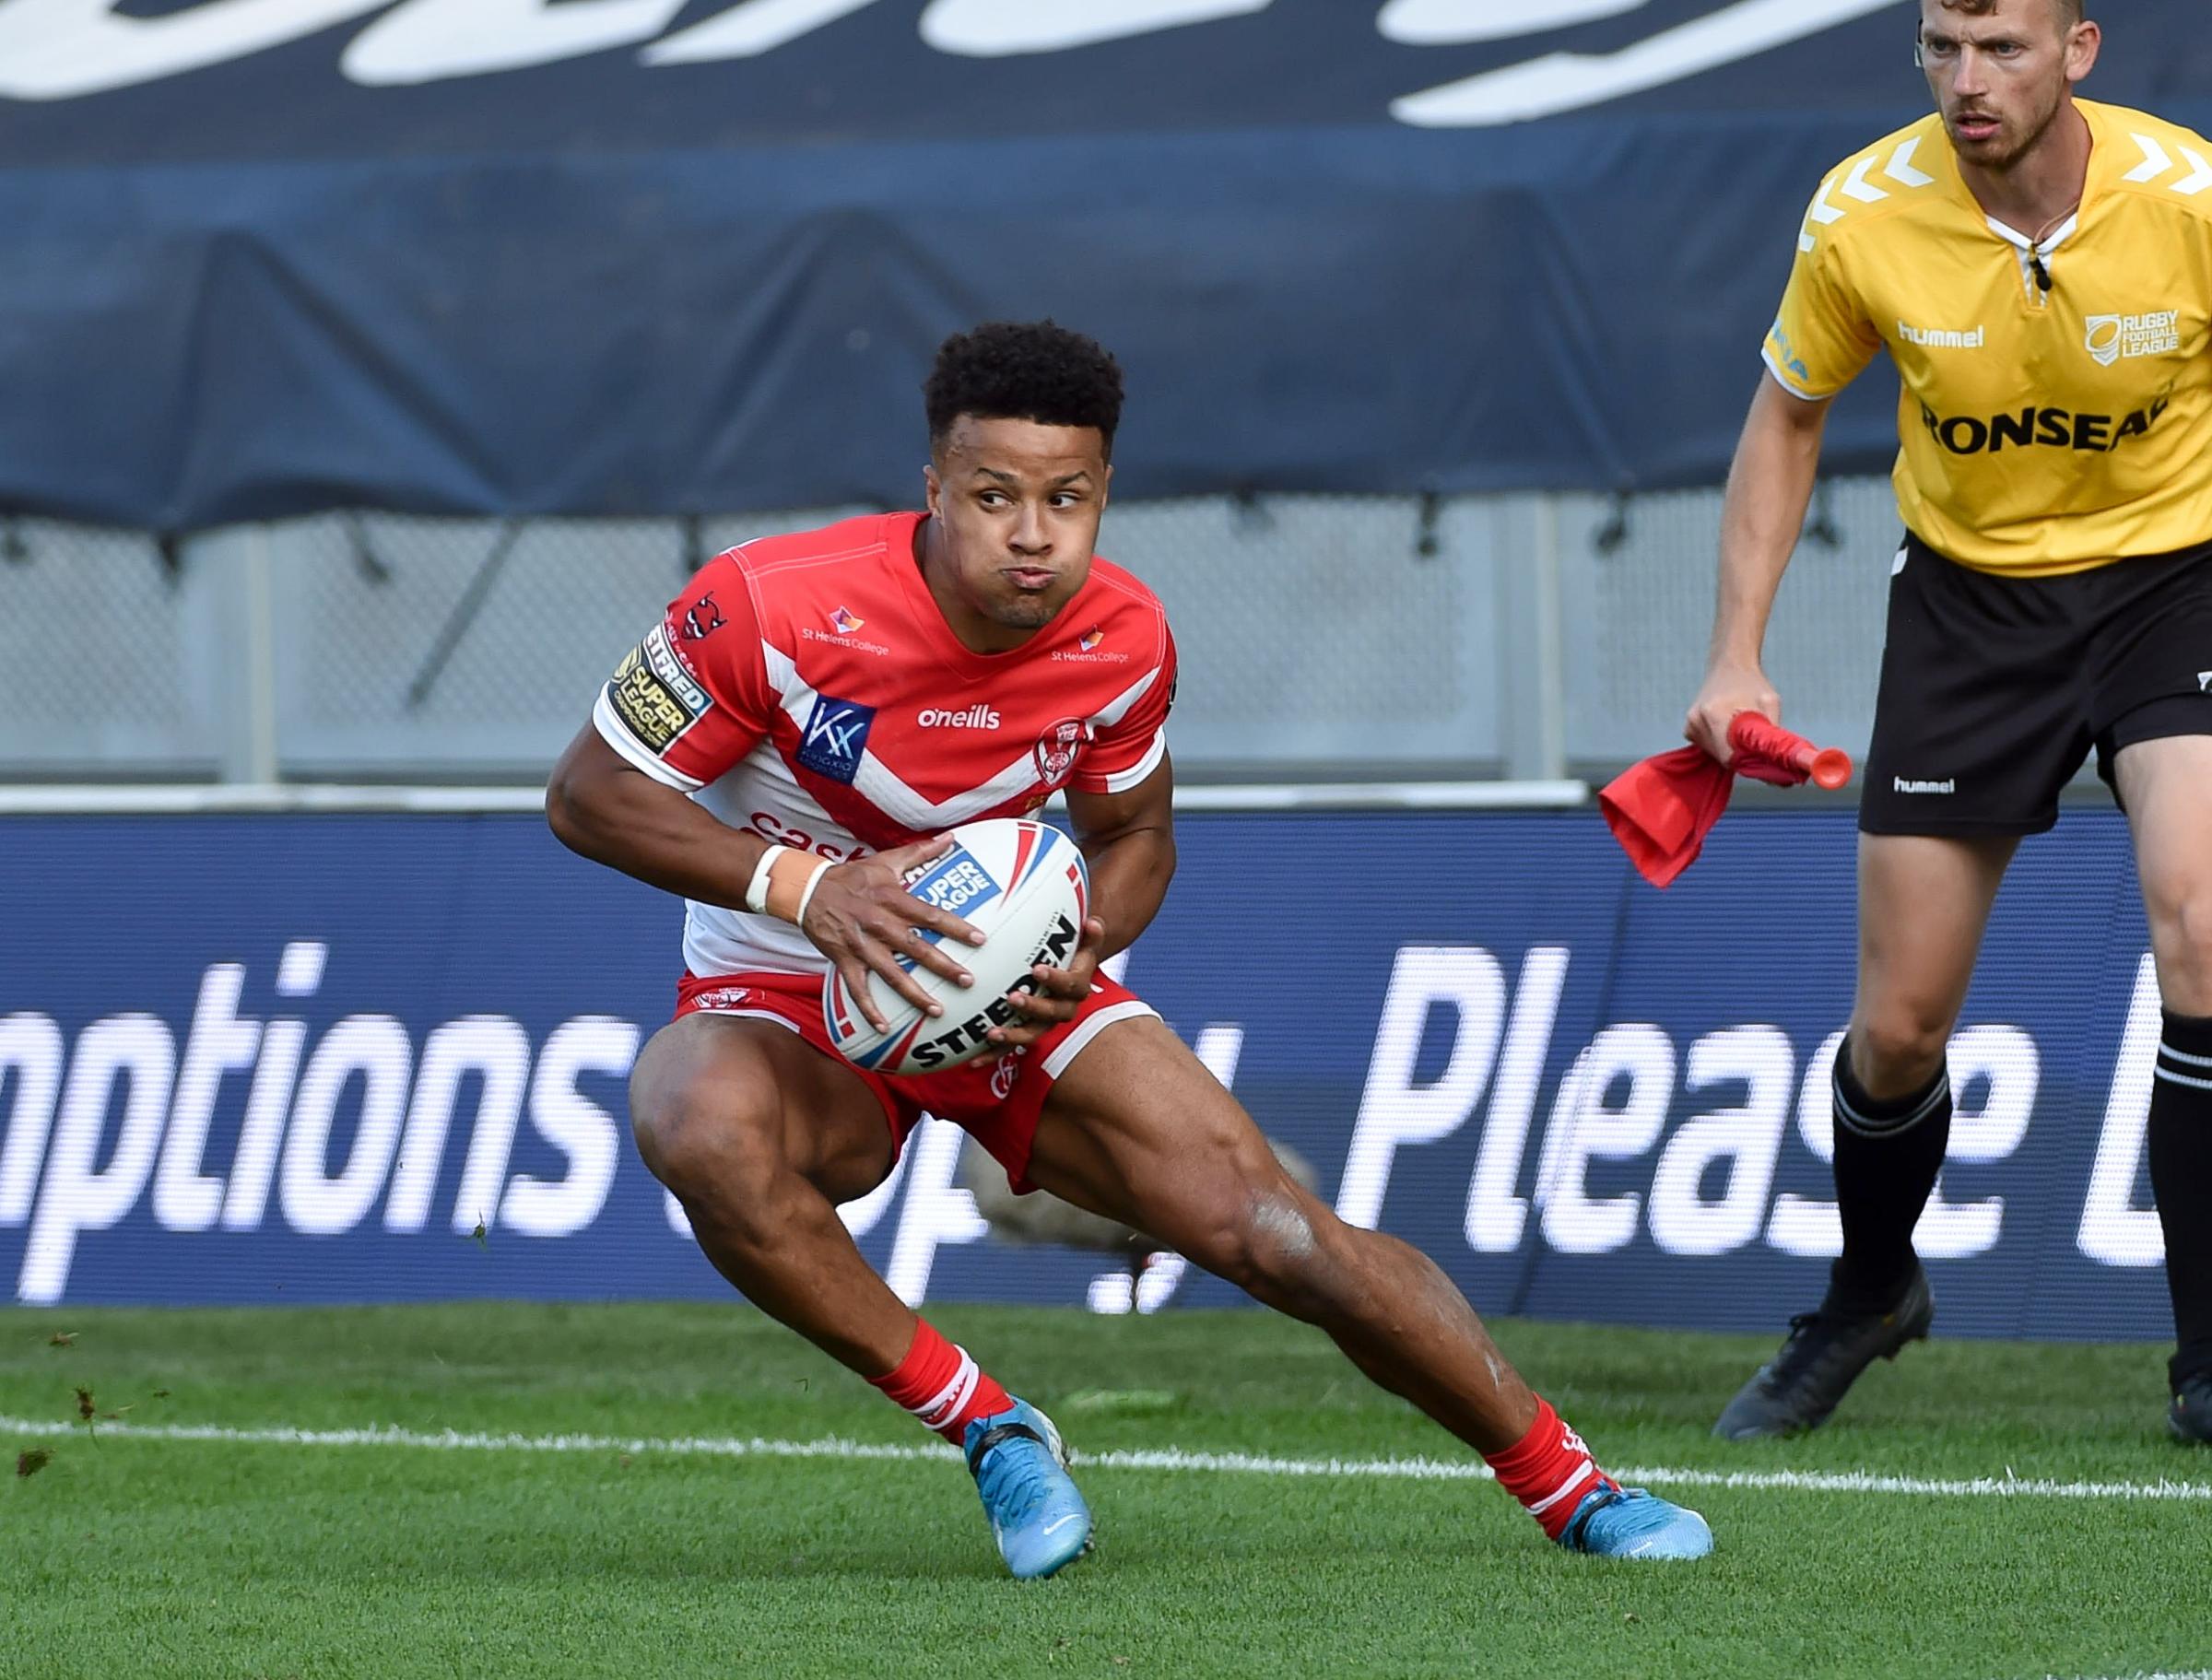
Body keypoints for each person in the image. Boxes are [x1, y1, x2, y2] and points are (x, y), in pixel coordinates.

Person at [549, 320, 1712, 1574]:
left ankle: (1573, 1489)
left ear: (1104, 494)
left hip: (1013, 992)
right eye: (994, 497)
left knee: (1276, 1232)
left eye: (1068, 499)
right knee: (691, 1118)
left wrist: (1078, 939)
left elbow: (1137, 835)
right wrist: (815, 890)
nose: (1033, 534)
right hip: (793, 990)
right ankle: (991, 1428)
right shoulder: (762, 603)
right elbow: (589, 796)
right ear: (934, 489)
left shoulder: (1126, 637)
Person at [1687, 0, 2212, 1442]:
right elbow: (1786, 419)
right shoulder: (1862, 212)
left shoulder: (2188, 199)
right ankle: (1871, 1292)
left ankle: (2206, 1363)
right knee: (1901, 1026)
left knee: (2203, 927)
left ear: (2080, 50)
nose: (1967, 81)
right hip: (1970, 612)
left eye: (2003, 48)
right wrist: (1734, 658)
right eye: (1942, 47)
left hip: (2177, 585)